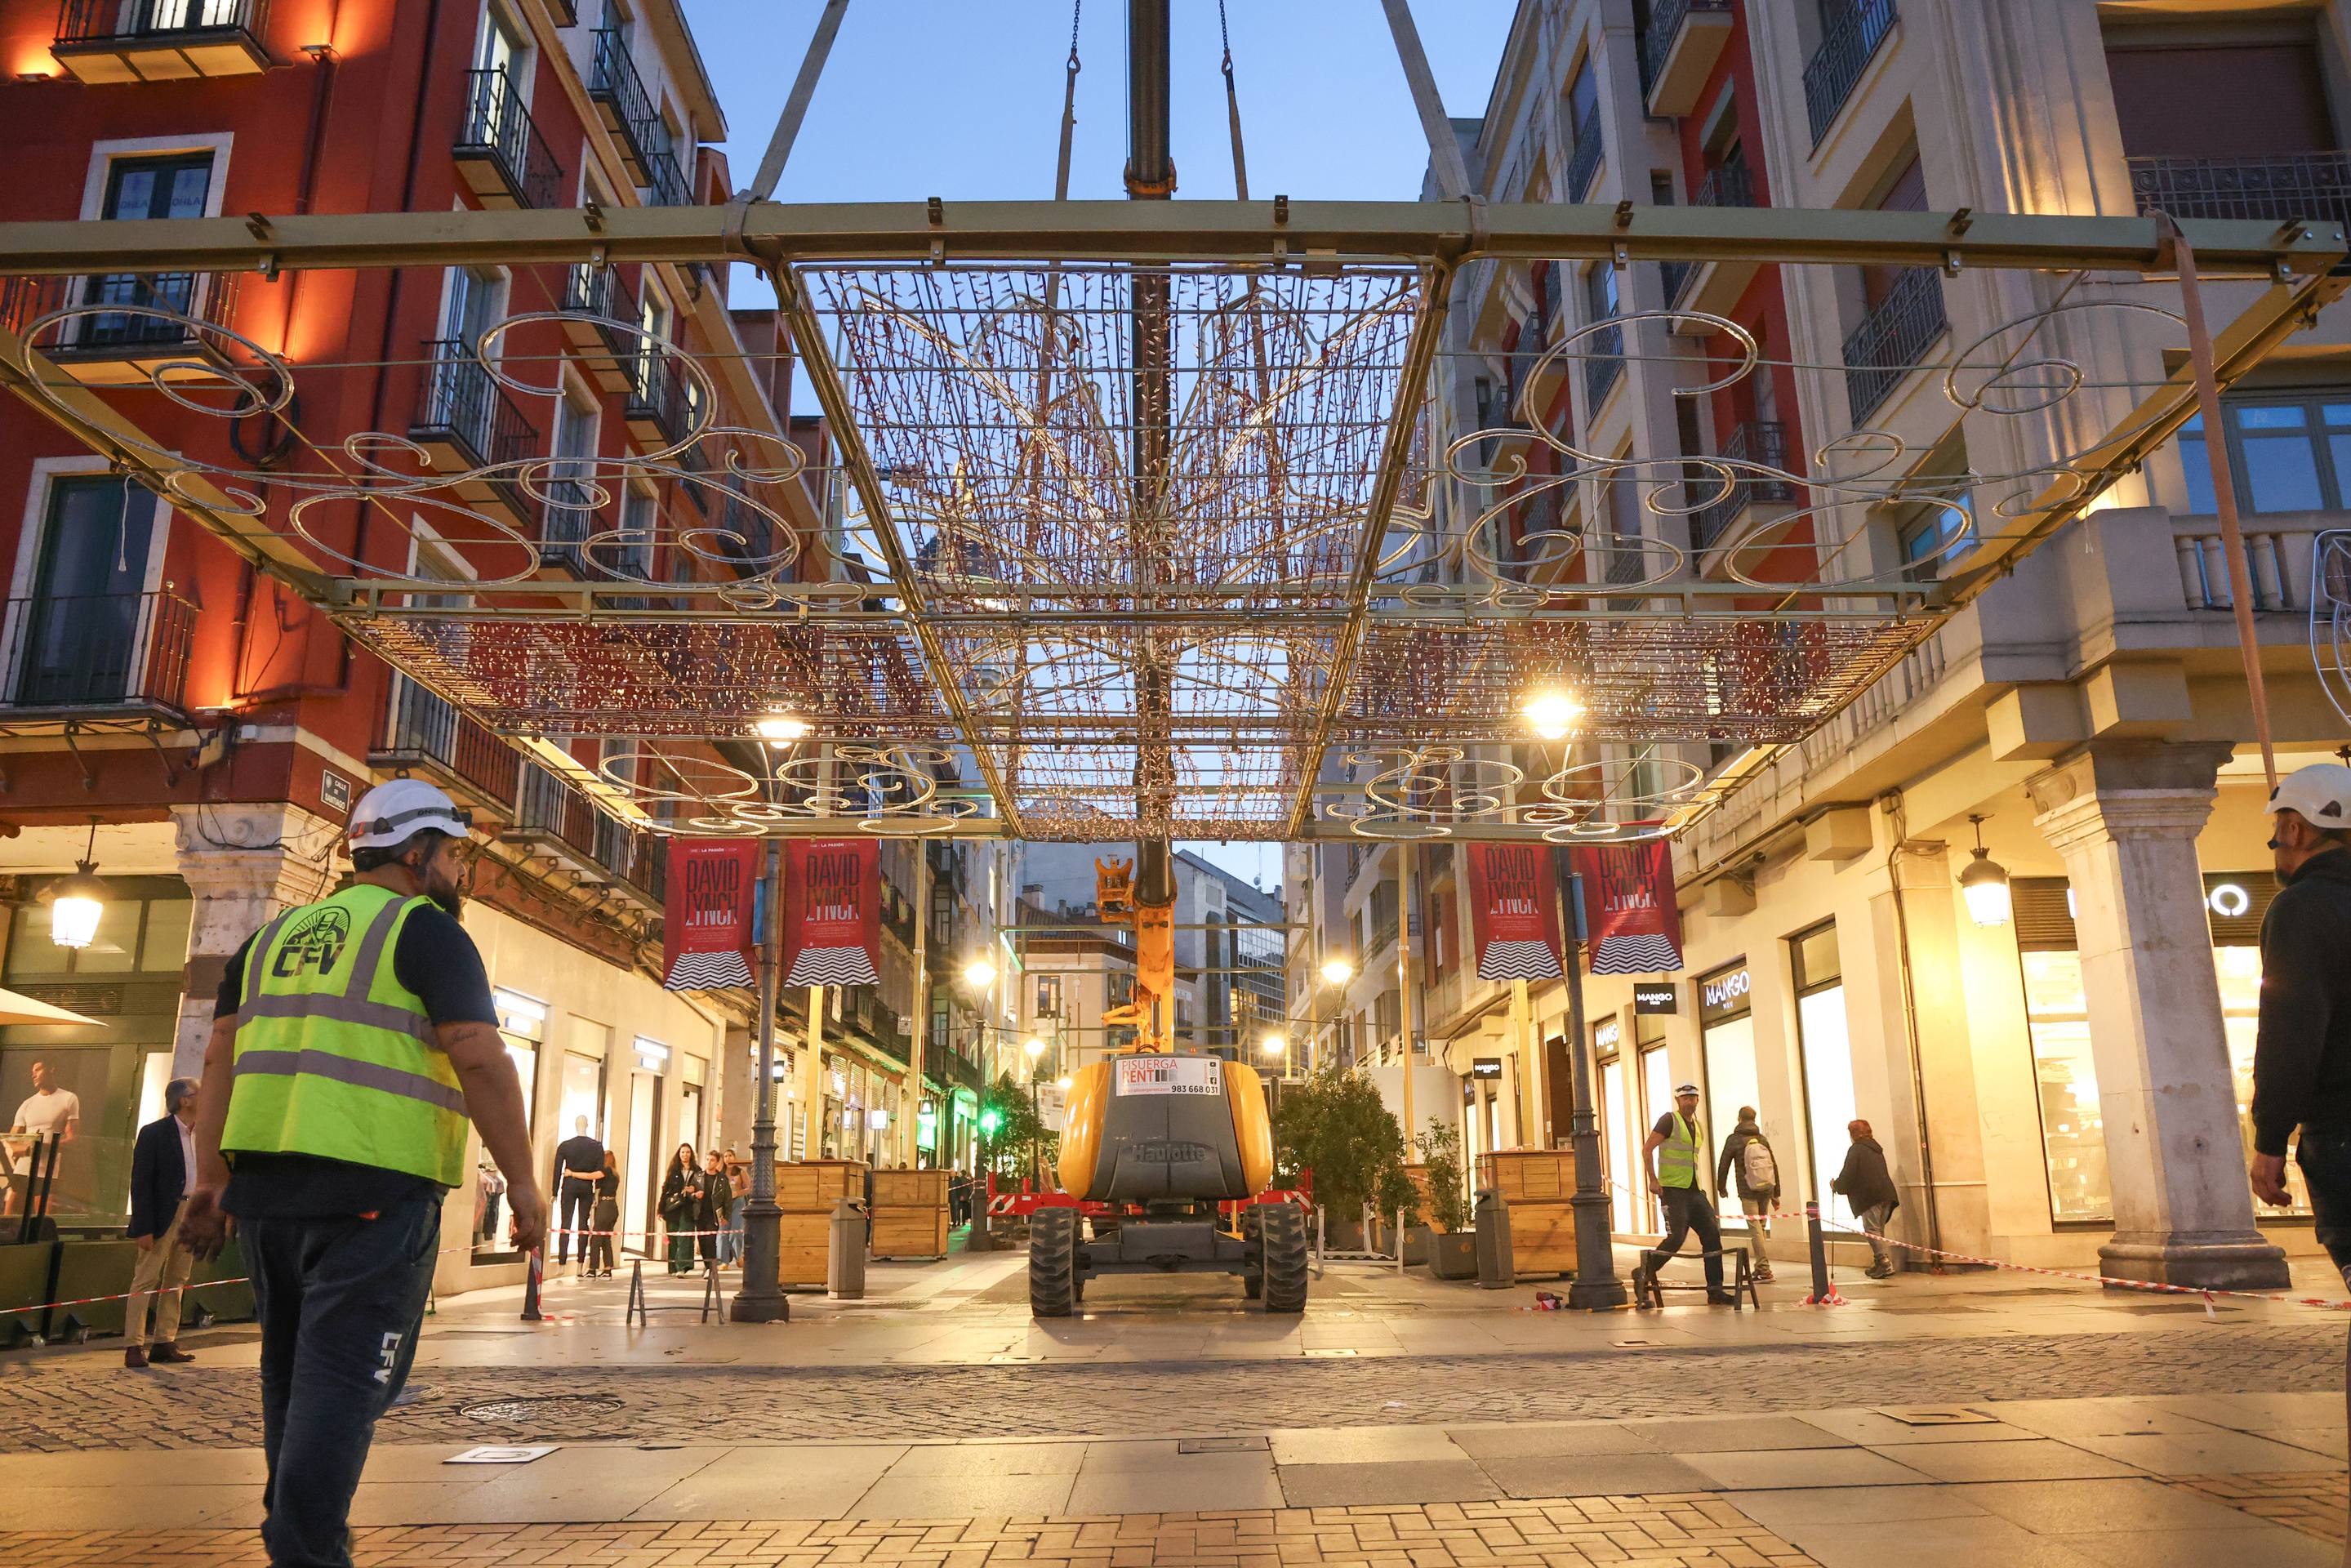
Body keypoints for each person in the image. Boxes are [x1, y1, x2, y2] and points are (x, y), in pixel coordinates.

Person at [177, 777, 545, 1568]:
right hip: (373, 1195)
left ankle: (298, 1534)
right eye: (450, 855)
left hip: (268, 1199)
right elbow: (478, 1057)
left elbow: (219, 1059)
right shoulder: (425, 932)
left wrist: (207, 1186)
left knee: (292, 1378)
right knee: (345, 1385)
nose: (456, 871)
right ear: (415, 854)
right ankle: (305, 1549)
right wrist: (522, 1183)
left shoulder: (272, 938)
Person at [124, 1077, 204, 1370]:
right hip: (161, 1215)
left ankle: (164, 1340)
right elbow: (141, 1183)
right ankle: (134, 1345)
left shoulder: (203, 1133)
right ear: (184, 1100)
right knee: (145, 1279)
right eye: (199, 1092)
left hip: (191, 1212)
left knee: (178, 1279)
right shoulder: (155, 1133)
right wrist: (143, 1226)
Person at [1641, 1083, 1736, 1306]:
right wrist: (1653, 1180)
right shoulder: (1669, 1120)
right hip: (1672, 1190)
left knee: (1712, 1234)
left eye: (1693, 1098)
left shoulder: (1698, 1126)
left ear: (1698, 1100)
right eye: (1685, 1098)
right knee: (1676, 1238)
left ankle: (1715, 1290)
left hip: (1694, 1190)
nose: (1690, 1102)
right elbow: (1647, 1149)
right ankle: (1642, 1272)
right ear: (1678, 1101)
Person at [1830, 1119, 1902, 1280]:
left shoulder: (1856, 1150)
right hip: (1886, 1195)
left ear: (1853, 1134)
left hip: (1871, 1197)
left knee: (1872, 1231)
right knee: (1878, 1231)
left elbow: (1848, 1175)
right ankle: (1879, 1262)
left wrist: (1836, 1186)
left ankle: (1884, 1264)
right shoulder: (1876, 1149)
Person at [1716, 1107, 1780, 1285]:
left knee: (1755, 1229)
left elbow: (1724, 1164)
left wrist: (1721, 1187)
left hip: (1748, 1191)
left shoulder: (1734, 1140)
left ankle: (1764, 1269)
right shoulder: (1761, 1139)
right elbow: (1773, 1165)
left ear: (1739, 1118)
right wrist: (1776, 1193)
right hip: (1766, 1190)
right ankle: (1761, 1269)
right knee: (1760, 1227)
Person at [552, 1116, 605, 1272]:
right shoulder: (596, 1146)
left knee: (565, 1223)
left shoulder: (566, 1146)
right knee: (583, 1224)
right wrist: (596, 1192)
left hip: (569, 1185)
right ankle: (580, 1265)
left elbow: (557, 1169)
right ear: (587, 1125)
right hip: (586, 1186)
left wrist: (554, 1191)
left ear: (576, 1125)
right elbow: (599, 1171)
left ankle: (562, 1263)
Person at [11, 1058, 79, 1144]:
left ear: (51, 1069)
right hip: (27, 1157)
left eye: (38, 1070)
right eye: (33, 1072)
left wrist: (41, 1147)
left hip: (51, 1157)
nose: (34, 1076)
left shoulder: (69, 1098)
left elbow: (72, 1140)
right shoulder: (27, 1104)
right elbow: (11, 1140)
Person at [659, 1143, 702, 1275]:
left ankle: (682, 1267)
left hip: (689, 1208)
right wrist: (660, 1210)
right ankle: (672, 1267)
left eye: (688, 1152)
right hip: (673, 1208)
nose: (685, 1155)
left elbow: (702, 1187)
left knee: (685, 1237)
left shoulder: (697, 1170)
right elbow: (665, 1189)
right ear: (679, 1154)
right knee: (673, 1237)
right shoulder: (673, 1170)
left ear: (691, 1154)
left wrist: (693, 1190)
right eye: (683, 1152)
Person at [586, 1152, 621, 1277]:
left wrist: (572, 1173)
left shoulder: (606, 1171)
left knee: (596, 1239)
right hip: (613, 1207)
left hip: (604, 1206)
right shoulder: (615, 1174)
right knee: (606, 1239)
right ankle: (607, 1268)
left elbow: (591, 1176)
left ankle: (592, 1268)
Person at [700, 1149, 731, 1268]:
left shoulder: (722, 1180)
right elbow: (691, 1193)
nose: (709, 1162)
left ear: (717, 1162)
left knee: (711, 1241)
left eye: (712, 1160)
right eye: (707, 1159)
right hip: (700, 1213)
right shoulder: (699, 1176)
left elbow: (727, 1199)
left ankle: (710, 1268)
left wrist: (726, 1216)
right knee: (702, 1241)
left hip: (713, 1215)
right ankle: (707, 1264)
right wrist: (694, 1195)